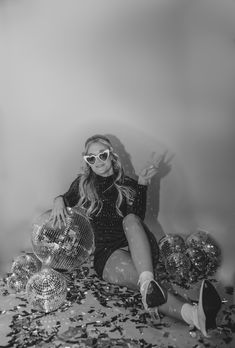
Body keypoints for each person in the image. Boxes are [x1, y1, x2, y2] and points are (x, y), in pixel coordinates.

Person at [50, 134, 222, 337]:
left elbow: (138, 216)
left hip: (139, 246)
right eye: (91, 158)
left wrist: (142, 183)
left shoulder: (129, 184)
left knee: (130, 219)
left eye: (102, 155)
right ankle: (194, 315)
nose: (98, 161)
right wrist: (58, 200)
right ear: (87, 161)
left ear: (111, 156)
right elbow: (66, 199)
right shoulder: (83, 184)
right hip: (108, 254)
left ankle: (147, 279)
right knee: (148, 290)